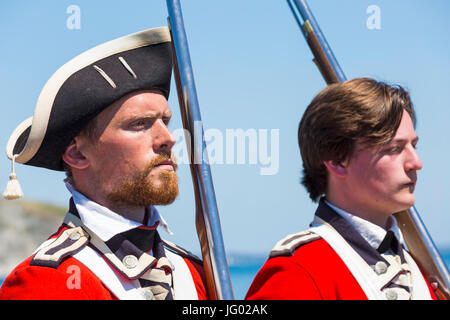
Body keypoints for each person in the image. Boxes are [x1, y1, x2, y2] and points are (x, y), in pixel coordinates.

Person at [0, 27, 208, 300]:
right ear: (77, 154)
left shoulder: (193, 272)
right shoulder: (46, 283)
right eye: (140, 124)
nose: (168, 138)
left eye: (165, 122)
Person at [246, 78, 438, 300]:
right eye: (394, 148)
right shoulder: (298, 273)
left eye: (413, 146)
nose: (416, 162)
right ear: (337, 160)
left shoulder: (420, 270)